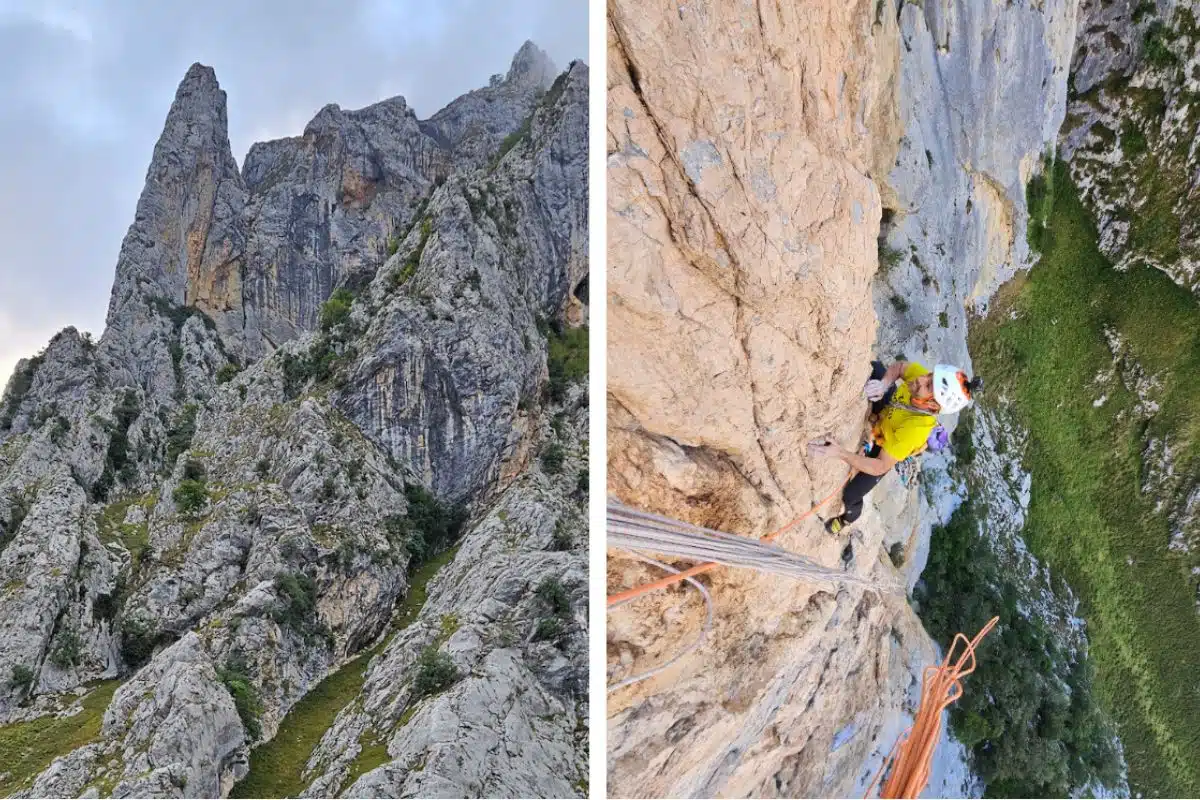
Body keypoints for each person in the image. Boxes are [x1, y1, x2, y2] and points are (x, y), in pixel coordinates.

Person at [808, 359, 980, 535]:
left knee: (851, 495)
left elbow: (880, 465)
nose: (921, 379)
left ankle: (846, 519)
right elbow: (900, 367)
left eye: (928, 385)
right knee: (876, 369)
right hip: (888, 415)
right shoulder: (920, 380)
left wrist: (840, 453)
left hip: (886, 444)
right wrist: (883, 385)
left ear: (933, 405)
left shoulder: (915, 430)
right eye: (930, 376)